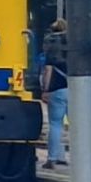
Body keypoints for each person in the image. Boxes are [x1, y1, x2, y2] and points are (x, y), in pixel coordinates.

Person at [37, 19, 70, 169]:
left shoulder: (51, 45)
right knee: (77, 126)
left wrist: (45, 89)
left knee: (56, 124)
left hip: (57, 89)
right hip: (76, 89)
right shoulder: (73, 45)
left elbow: (48, 70)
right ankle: (76, 158)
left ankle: (53, 158)